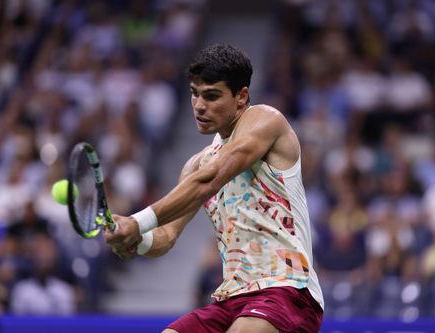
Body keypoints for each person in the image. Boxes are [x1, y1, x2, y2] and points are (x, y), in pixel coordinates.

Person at [105, 44, 324, 333]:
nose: (199, 105)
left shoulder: (266, 120)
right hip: (231, 298)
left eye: (211, 96)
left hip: (287, 290)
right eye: (195, 93)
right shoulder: (196, 165)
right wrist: (135, 239)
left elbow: (213, 178)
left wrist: (137, 221)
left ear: (241, 96)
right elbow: (166, 237)